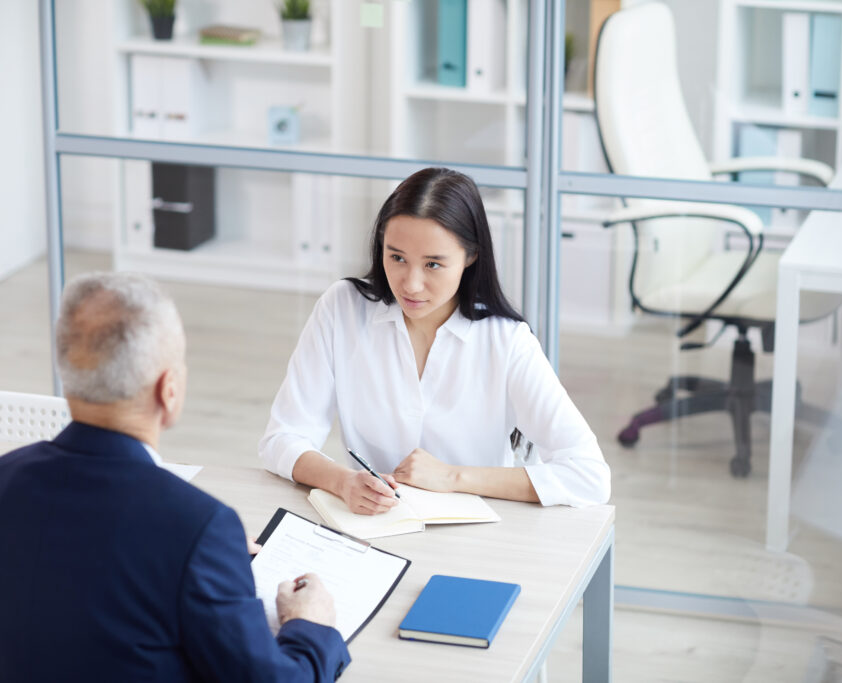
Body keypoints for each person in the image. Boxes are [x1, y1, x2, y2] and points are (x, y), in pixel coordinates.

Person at [0, 272, 349, 682]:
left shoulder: (7, 478)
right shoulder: (197, 526)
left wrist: (207, 558)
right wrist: (310, 626)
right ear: (169, 389)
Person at [260, 167, 610, 515]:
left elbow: (588, 475)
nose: (410, 284)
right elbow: (282, 438)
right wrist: (342, 481)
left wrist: (453, 477)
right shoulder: (343, 308)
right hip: (375, 528)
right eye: (396, 257)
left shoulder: (507, 341)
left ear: (470, 257)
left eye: (433, 265)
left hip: (479, 537)